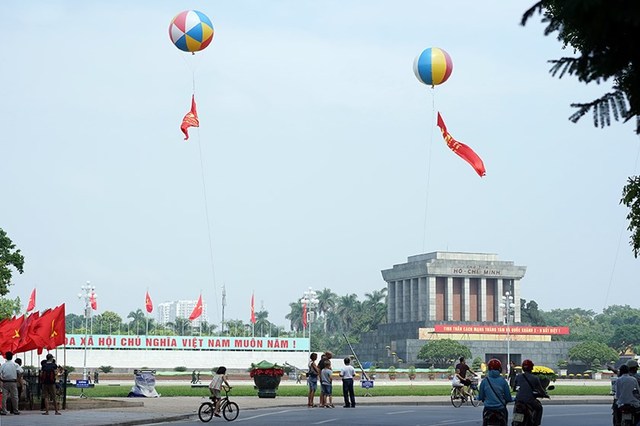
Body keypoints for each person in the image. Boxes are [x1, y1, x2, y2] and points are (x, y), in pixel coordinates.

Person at [477, 358, 513, 424]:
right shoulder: (503, 381)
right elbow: (508, 397)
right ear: (500, 369)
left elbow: (481, 397)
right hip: (500, 409)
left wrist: (480, 398)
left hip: (488, 409)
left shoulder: (484, 381)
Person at [514, 359, 546, 426]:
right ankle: (536, 423)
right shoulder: (535, 378)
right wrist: (544, 394)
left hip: (519, 400)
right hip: (529, 401)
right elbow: (540, 389)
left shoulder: (518, 377)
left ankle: (515, 422)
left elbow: (515, 387)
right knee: (539, 408)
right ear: (531, 368)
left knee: (516, 409)